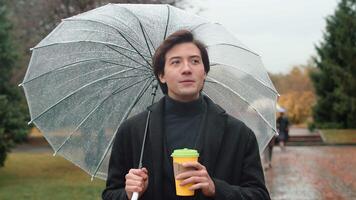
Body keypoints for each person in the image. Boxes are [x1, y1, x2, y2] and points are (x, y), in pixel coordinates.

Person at [102, 30, 270, 200]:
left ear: (204, 72)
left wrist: (216, 189)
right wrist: (129, 194)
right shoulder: (133, 131)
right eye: (176, 62)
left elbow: (260, 195)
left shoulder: (238, 133)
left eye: (195, 61)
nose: (187, 69)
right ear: (161, 75)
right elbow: (110, 194)